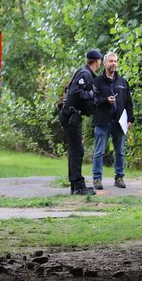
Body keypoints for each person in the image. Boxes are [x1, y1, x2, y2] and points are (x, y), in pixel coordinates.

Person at [59, 49, 103, 195]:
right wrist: (90, 94)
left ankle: (76, 185)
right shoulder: (84, 74)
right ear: (97, 61)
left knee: (75, 151)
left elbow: (68, 88)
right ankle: (78, 186)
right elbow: (75, 92)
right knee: (77, 151)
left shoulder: (84, 73)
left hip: (73, 115)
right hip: (71, 115)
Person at [91, 52, 134, 190]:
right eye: (111, 61)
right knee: (99, 152)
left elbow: (128, 102)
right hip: (102, 121)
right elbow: (92, 100)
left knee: (120, 151)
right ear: (104, 63)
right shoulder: (97, 81)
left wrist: (130, 119)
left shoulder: (122, 82)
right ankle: (97, 179)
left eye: (115, 61)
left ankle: (119, 177)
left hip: (119, 123)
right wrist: (105, 101)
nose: (113, 64)